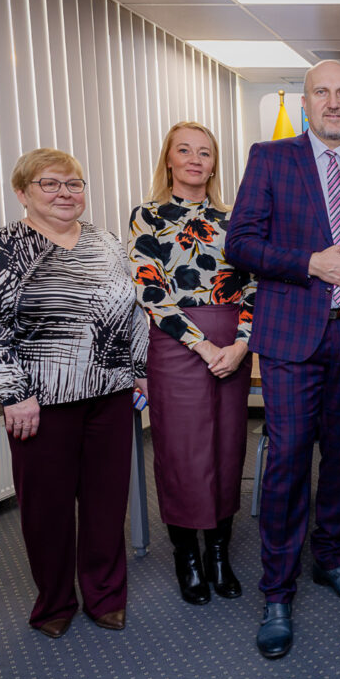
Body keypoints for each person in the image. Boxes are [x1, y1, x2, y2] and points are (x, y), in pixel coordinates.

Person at [225, 60, 340, 659]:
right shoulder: (271, 159)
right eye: (321, 92)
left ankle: (331, 558)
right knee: (289, 461)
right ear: (305, 103)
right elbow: (240, 243)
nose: (333, 102)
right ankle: (277, 591)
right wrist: (309, 263)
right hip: (293, 340)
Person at [0, 148, 148, 638]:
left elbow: (131, 310)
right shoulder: (0, 247)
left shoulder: (105, 241)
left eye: (74, 184)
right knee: (46, 510)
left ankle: (105, 596)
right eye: (49, 184)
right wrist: (12, 393)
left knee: (106, 503)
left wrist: (139, 369)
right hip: (40, 403)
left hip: (110, 393)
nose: (65, 193)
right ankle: (53, 602)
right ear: (22, 192)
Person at [129, 121, 256, 606]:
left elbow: (254, 285)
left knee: (227, 449)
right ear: (169, 159)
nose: (195, 159)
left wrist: (241, 345)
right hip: (176, 344)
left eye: (205, 152)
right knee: (182, 453)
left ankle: (219, 553)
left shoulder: (235, 217)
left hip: (233, 344)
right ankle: (188, 557)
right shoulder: (147, 216)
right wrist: (202, 346)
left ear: (214, 162)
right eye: (184, 150)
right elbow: (150, 291)